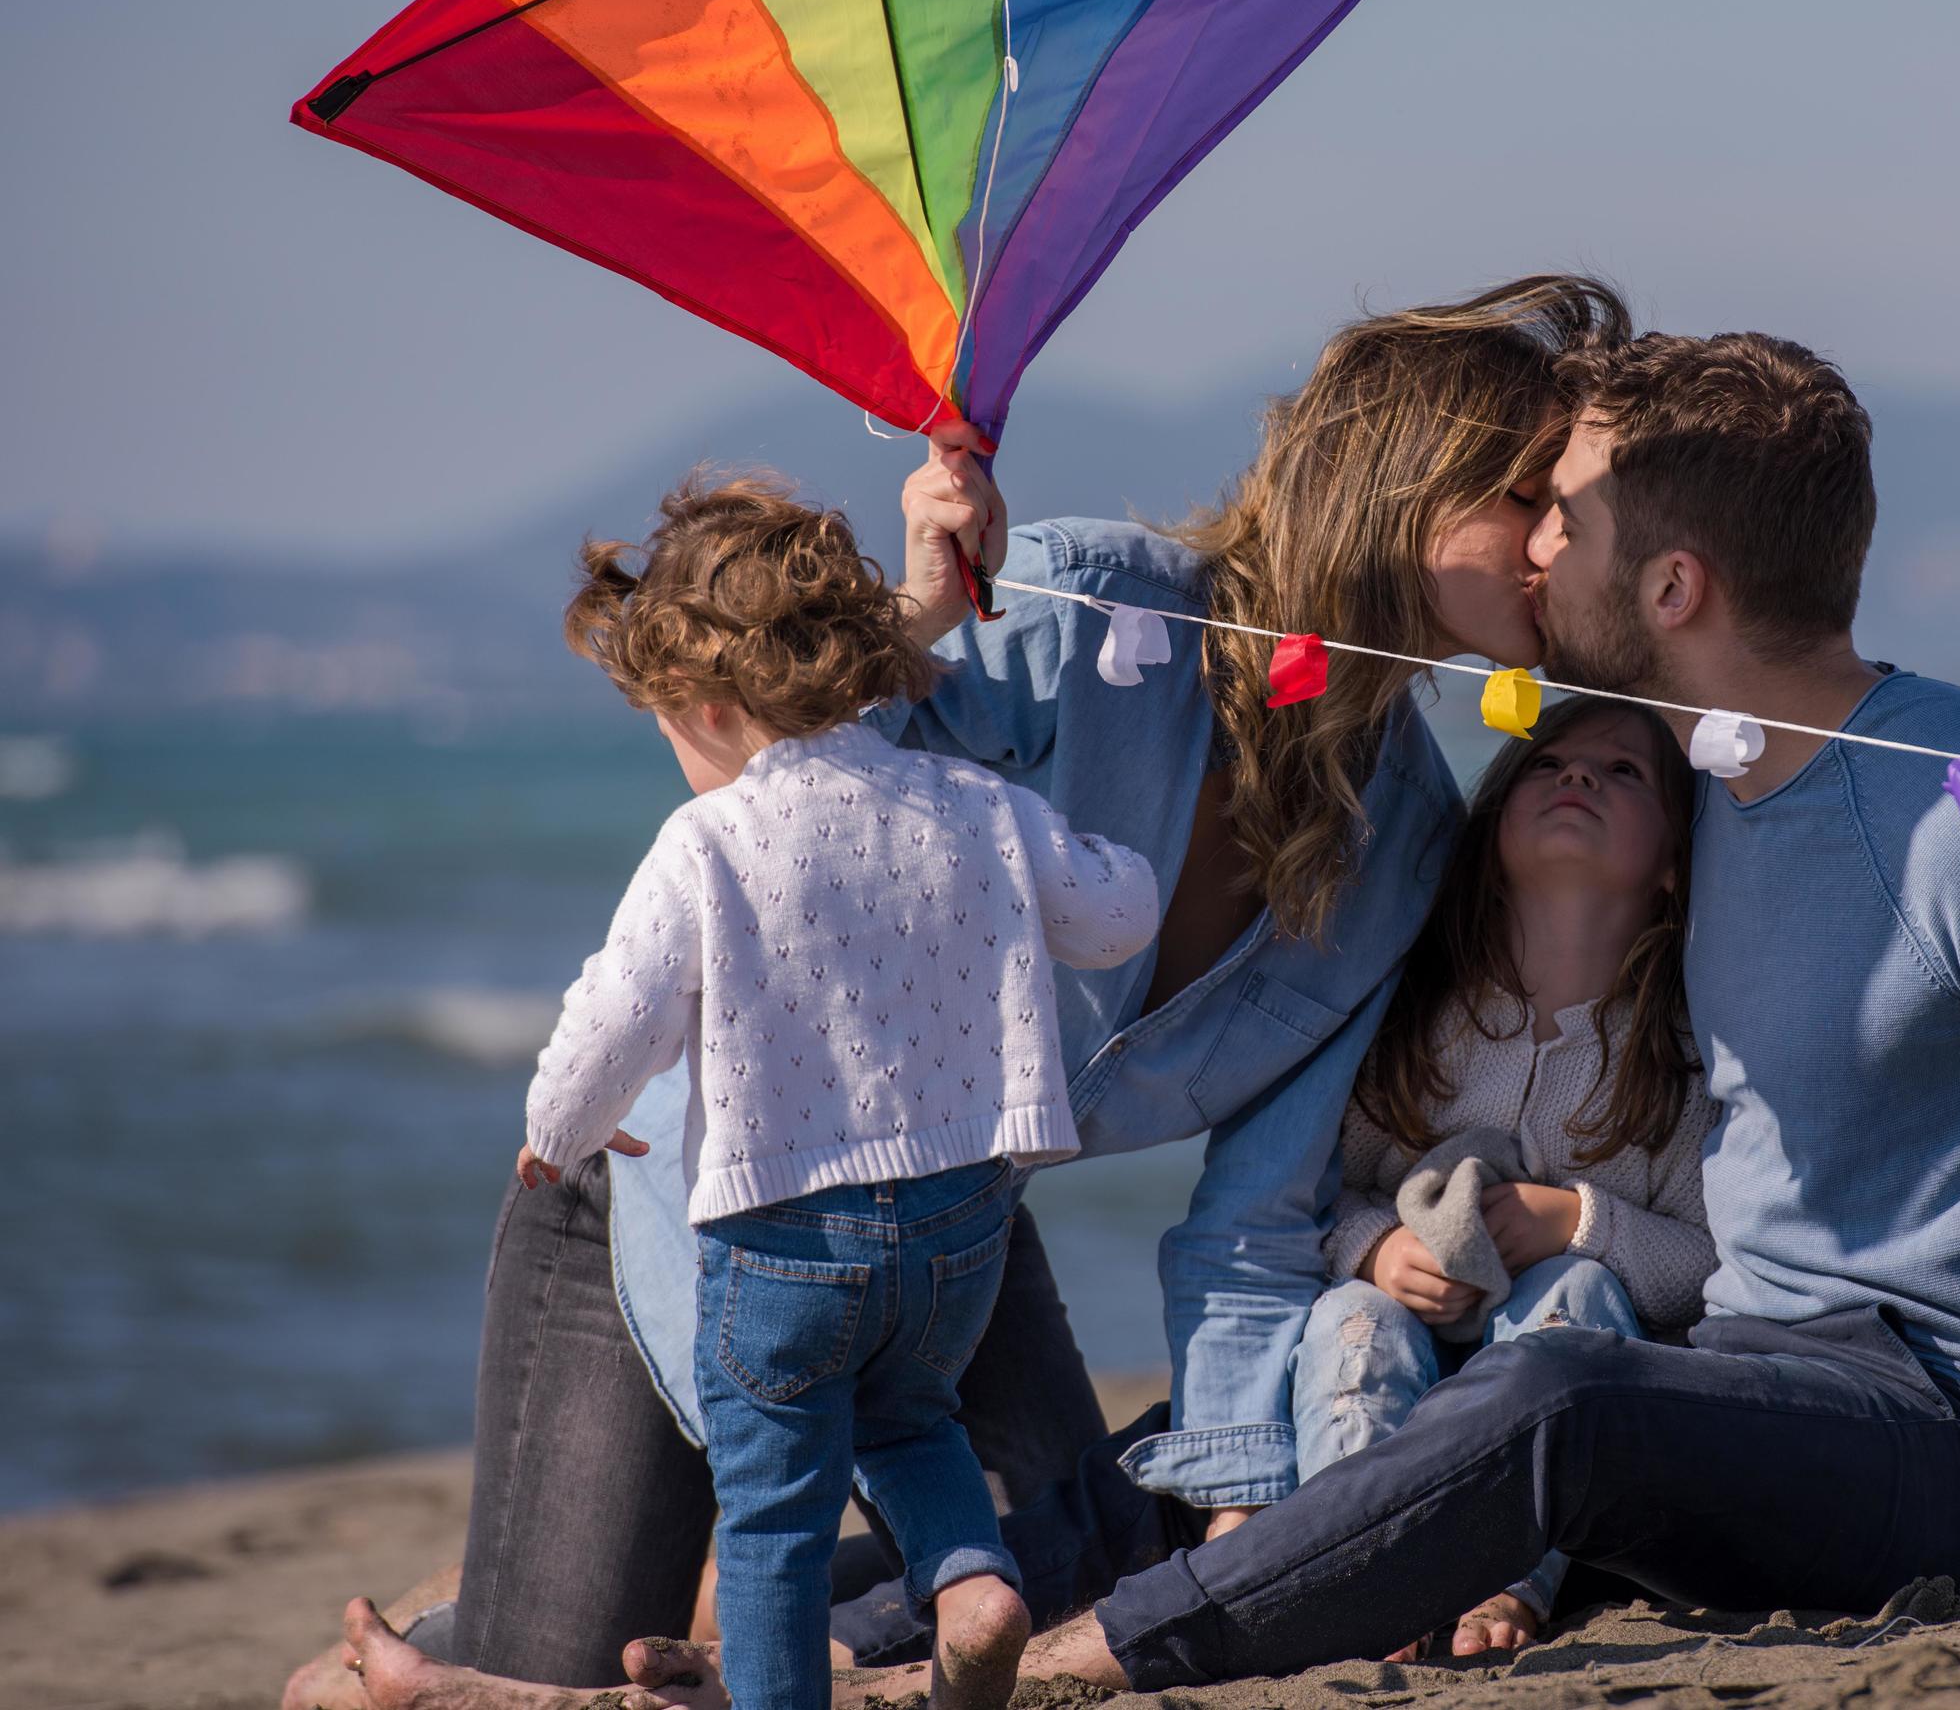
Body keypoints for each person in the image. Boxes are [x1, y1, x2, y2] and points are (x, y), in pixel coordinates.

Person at [291, 273, 1630, 1709]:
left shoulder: (1411, 847)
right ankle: (448, 1645)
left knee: (1055, 1567)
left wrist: (1252, 1516)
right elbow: (760, 810)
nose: (1567, 541)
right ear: (1404, 494)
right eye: (1531, 497)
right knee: (550, 1649)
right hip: (671, 1184)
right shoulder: (1073, 615)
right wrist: (913, 622)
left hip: (936, 1237)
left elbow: (1257, 1220)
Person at [512, 474, 1161, 1710]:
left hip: (785, 1242)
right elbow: (1115, 912)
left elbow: (613, 1017)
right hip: (960, 1229)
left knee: (770, 1522)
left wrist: (559, 1132)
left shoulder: (705, 843)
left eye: (663, 720)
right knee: (912, 1417)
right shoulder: (974, 803)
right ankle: (974, 1583)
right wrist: (1070, 845)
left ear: (705, 701)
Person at [1303, 696, 1715, 1658]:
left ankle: (1505, 1573)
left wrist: (1580, 1221)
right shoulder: (1419, 1024)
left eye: (1624, 773)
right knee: (1345, 1319)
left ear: (1672, 865)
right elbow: (1315, 1201)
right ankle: (1351, 1565)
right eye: (1548, 763)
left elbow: (1710, 1265)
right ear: (1490, 834)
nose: (1578, 777)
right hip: (1410, 1359)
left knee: (1579, 1285)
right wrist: (1376, 1251)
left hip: (1577, 1399)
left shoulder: (1678, 1059)